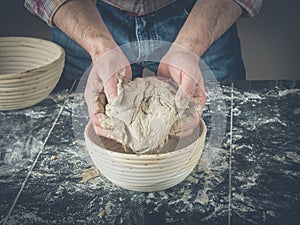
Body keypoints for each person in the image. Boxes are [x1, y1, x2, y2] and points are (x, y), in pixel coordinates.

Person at [25, 0, 263, 137]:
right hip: (87, 14)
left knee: (225, 137)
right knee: (84, 137)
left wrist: (189, 47)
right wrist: (99, 47)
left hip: (201, 13)